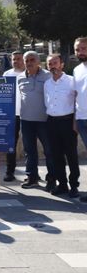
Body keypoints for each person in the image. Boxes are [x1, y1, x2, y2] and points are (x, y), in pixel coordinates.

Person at [44, 54, 79, 198]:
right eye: (50, 64)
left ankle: (74, 186)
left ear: (62, 64)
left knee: (71, 155)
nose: (53, 66)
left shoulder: (71, 81)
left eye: (55, 63)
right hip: (52, 122)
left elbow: (78, 102)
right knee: (55, 155)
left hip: (67, 121)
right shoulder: (47, 84)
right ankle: (62, 184)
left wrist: (75, 122)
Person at [18, 51, 54, 190]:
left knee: (49, 151)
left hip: (44, 120)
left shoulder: (48, 76)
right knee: (29, 150)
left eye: (32, 59)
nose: (29, 62)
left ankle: (52, 179)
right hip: (26, 120)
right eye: (27, 60)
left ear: (39, 61)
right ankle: (32, 177)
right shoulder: (20, 77)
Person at [3, 51, 25, 182]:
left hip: (28, 114)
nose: (16, 61)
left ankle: (32, 172)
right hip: (11, 114)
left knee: (29, 145)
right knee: (10, 145)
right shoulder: (7, 74)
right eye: (13, 59)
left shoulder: (29, 73)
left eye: (18, 59)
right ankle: (9, 171)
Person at [74, 38, 87, 202]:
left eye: (84, 48)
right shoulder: (77, 70)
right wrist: (75, 119)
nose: (81, 52)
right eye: (78, 49)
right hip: (82, 118)